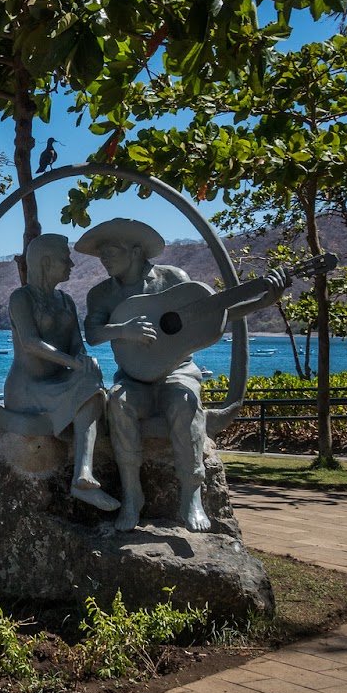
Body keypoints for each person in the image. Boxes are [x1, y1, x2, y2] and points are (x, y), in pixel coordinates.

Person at [78, 219, 283, 531]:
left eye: (111, 252)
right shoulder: (101, 294)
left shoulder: (173, 278)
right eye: (101, 254)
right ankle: (133, 494)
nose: (104, 259)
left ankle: (192, 495)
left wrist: (261, 302)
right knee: (118, 403)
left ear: (135, 251)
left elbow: (212, 316)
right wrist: (123, 330)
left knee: (184, 403)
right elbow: (92, 333)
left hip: (177, 371)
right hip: (134, 377)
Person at [4, 233, 117, 511]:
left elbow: (78, 346)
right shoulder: (21, 298)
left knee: (92, 384)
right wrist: (74, 363)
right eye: (65, 259)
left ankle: (83, 477)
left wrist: (83, 361)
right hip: (28, 388)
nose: (71, 265)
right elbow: (30, 343)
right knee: (88, 386)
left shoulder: (66, 301)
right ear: (45, 263)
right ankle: (82, 478)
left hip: (58, 384)